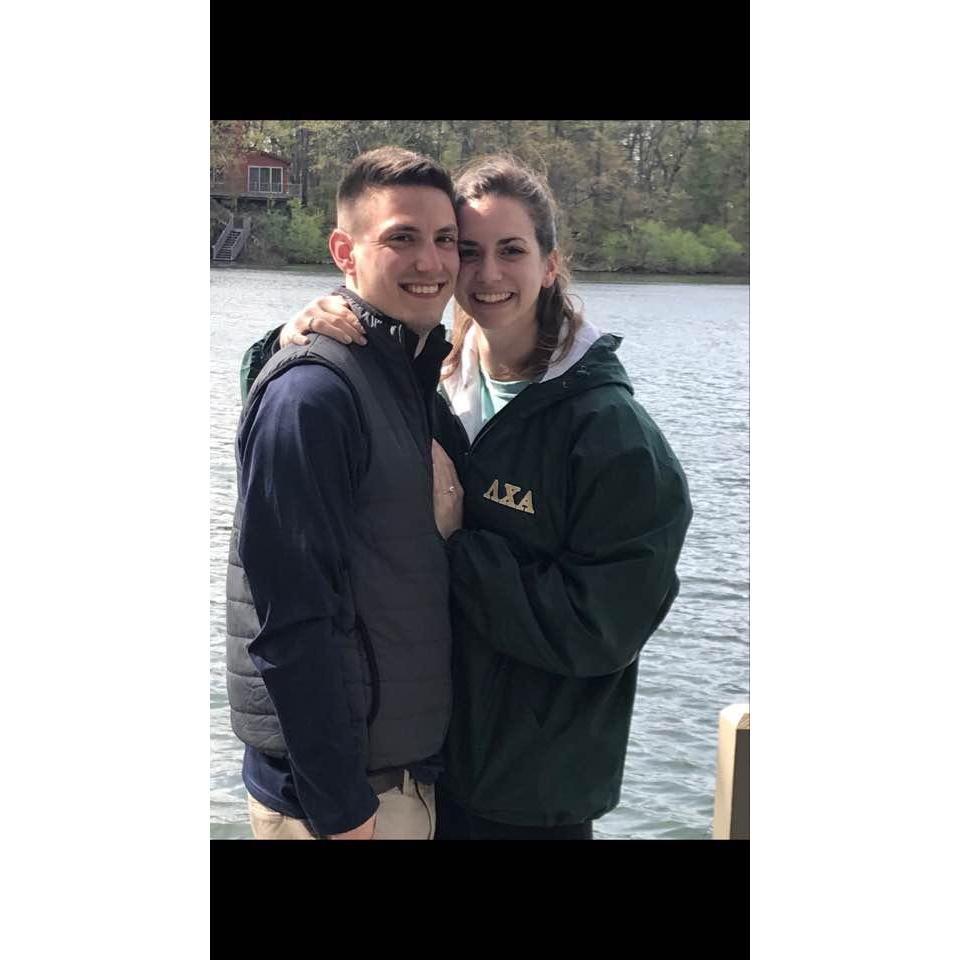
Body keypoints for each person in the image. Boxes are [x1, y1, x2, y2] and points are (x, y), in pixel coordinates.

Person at [265, 154, 693, 839]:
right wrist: (290, 336)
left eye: (512, 250)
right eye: (467, 250)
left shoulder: (613, 437)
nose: (488, 273)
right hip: (418, 776)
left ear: (550, 264)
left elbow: (598, 630)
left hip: (528, 795)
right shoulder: (426, 382)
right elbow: (302, 427)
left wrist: (461, 545)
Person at [225, 147, 468, 840]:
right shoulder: (314, 394)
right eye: (402, 238)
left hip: (398, 780)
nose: (431, 261)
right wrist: (342, 810)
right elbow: (290, 618)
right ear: (344, 251)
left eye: (445, 239)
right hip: (342, 804)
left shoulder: (405, 377)